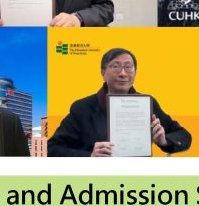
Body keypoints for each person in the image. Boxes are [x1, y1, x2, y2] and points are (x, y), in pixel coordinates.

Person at [48, 48, 191, 157]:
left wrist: (164, 141)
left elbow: (184, 136)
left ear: (135, 73)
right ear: (103, 73)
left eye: (128, 67)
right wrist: (90, 156)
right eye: (116, 66)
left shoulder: (148, 103)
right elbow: (52, 148)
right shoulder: (82, 108)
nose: (123, 73)